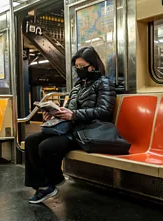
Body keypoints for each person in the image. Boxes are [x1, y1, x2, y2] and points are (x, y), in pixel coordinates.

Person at [24, 46, 116, 204]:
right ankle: (42, 184)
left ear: (93, 65)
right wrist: (54, 114)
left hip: (88, 130)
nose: (79, 70)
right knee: (31, 140)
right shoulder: (78, 85)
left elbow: (104, 111)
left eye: (82, 67)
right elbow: (70, 109)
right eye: (77, 67)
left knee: (46, 146)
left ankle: (52, 181)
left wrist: (74, 115)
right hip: (71, 127)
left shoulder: (104, 83)